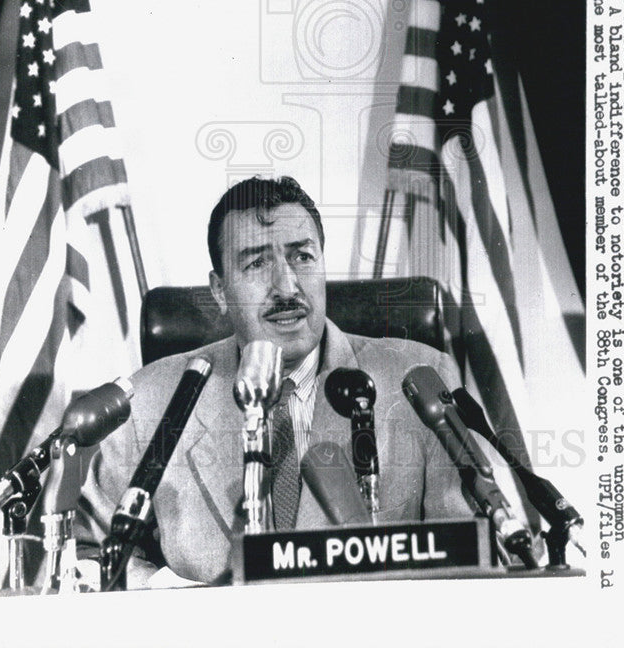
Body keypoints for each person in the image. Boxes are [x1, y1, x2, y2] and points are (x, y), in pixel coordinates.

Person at [77, 176, 469, 587]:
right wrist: (173, 597)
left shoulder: (418, 383)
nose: (287, 286)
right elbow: (87, 555)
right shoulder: (152, 402)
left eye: (302, 257)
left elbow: (473, 560)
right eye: (257, 262)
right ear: (221, 292)